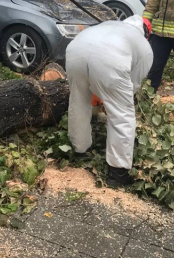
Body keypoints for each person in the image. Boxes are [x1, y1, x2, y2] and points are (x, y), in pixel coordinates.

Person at [66, 16, 153, 186]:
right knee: (122, 114)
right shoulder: (145, 47)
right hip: (110, 58)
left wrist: (100, 93)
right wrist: (110, 100)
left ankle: (79, 150)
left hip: (75, 50)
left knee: (78, 101)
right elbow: (132, 86)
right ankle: (118, 172)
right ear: (146, 33)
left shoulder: (108, 24)